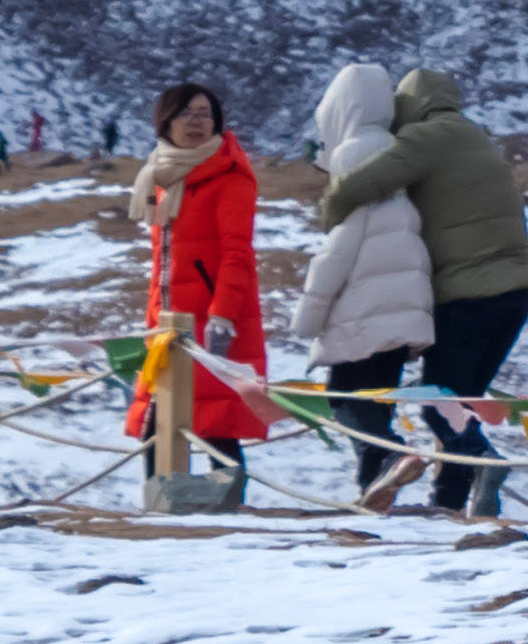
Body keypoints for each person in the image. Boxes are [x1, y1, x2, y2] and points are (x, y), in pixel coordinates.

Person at [313, 66, 528, 517]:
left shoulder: (428, 137)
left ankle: (481, 459)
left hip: (468, 293)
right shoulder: (475, 136)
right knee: (459, 397)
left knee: (438, 402)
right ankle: (450, 501)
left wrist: (331, 208)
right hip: (517, 292)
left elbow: (362, 184)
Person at [295, 61, 444, 513]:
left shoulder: (354, 157)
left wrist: (308, 318)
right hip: (403, 307)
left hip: (362, 310)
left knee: (345, 400)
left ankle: (395, 455)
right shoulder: (400, 152)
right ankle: (373, 491)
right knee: (375, 402)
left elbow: (339, 250)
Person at [135, 81, 266, 512]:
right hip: (169, 324)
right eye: (186, 113)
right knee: (158, 423)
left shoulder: (229, 176)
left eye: (205, 114)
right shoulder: (164, 175)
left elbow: (236, 252)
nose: (196, 122)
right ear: (165, 120)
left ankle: (224, 513)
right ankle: (165, 510)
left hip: (212, 322)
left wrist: (223, 315)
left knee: (215, 421)